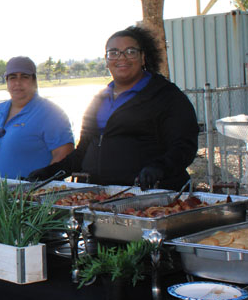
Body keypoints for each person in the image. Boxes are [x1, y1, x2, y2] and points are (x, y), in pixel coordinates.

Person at [28, 25, 198, 190]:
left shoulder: (166, 96)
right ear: (107, 60)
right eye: (114, 53)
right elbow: (82, 152)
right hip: (98, 196)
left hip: (151, 197)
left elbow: (184, 146)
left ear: (143, 57)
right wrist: (48, 173)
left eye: (130, 52)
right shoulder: (98, 100)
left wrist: (159, 168)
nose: (122, 58)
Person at [0, 56, 74, 179]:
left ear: (34, 80)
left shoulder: (51, 113)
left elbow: (64, 154)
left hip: (27, 195)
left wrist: (43, 180)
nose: (18, 83)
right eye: (13, 77)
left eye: (24, 76)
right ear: (7, 81)